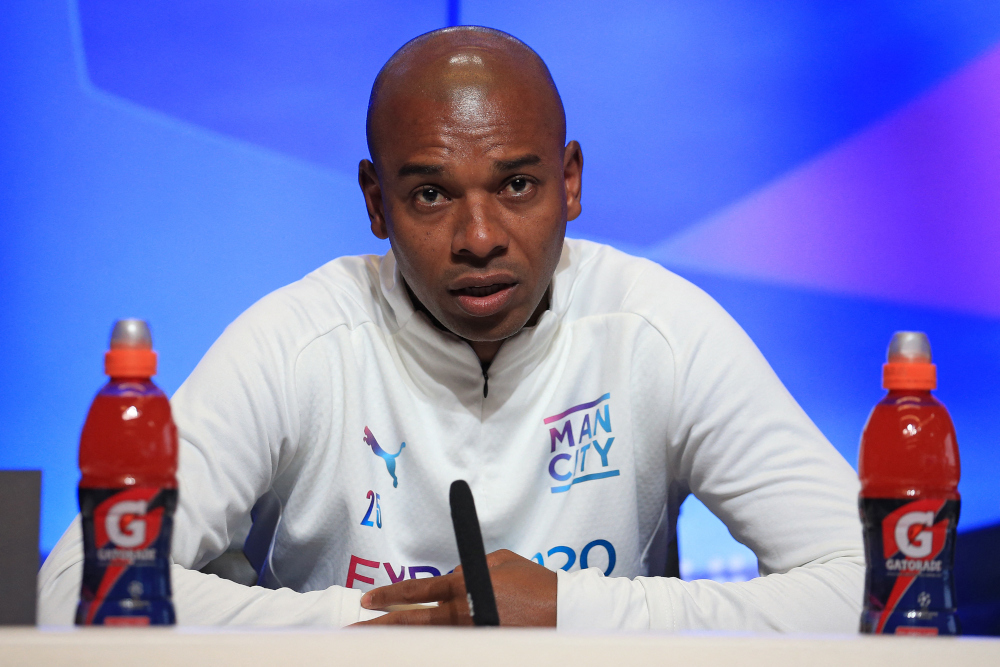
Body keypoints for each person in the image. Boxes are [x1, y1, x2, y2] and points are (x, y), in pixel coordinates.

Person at [39, 26, 863, 630]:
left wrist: (573, 609)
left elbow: (872, 583)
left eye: (516, 185)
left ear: (570, 183)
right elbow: (78, 582)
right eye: (432, 194)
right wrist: (379, 632)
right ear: (374, 202)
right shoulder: (297, 339)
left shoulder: (656, 327)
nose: (478, 238)